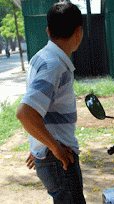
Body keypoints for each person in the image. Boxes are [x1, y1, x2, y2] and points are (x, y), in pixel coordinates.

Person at [16, 2, 86, 203]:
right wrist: (53, 147)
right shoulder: (54, 66)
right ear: (79, 32)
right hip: (59, 160)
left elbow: (40, 110)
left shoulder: (41, 58)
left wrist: (40, 143)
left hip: (51, 157)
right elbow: (26, 113)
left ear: (48, 31)